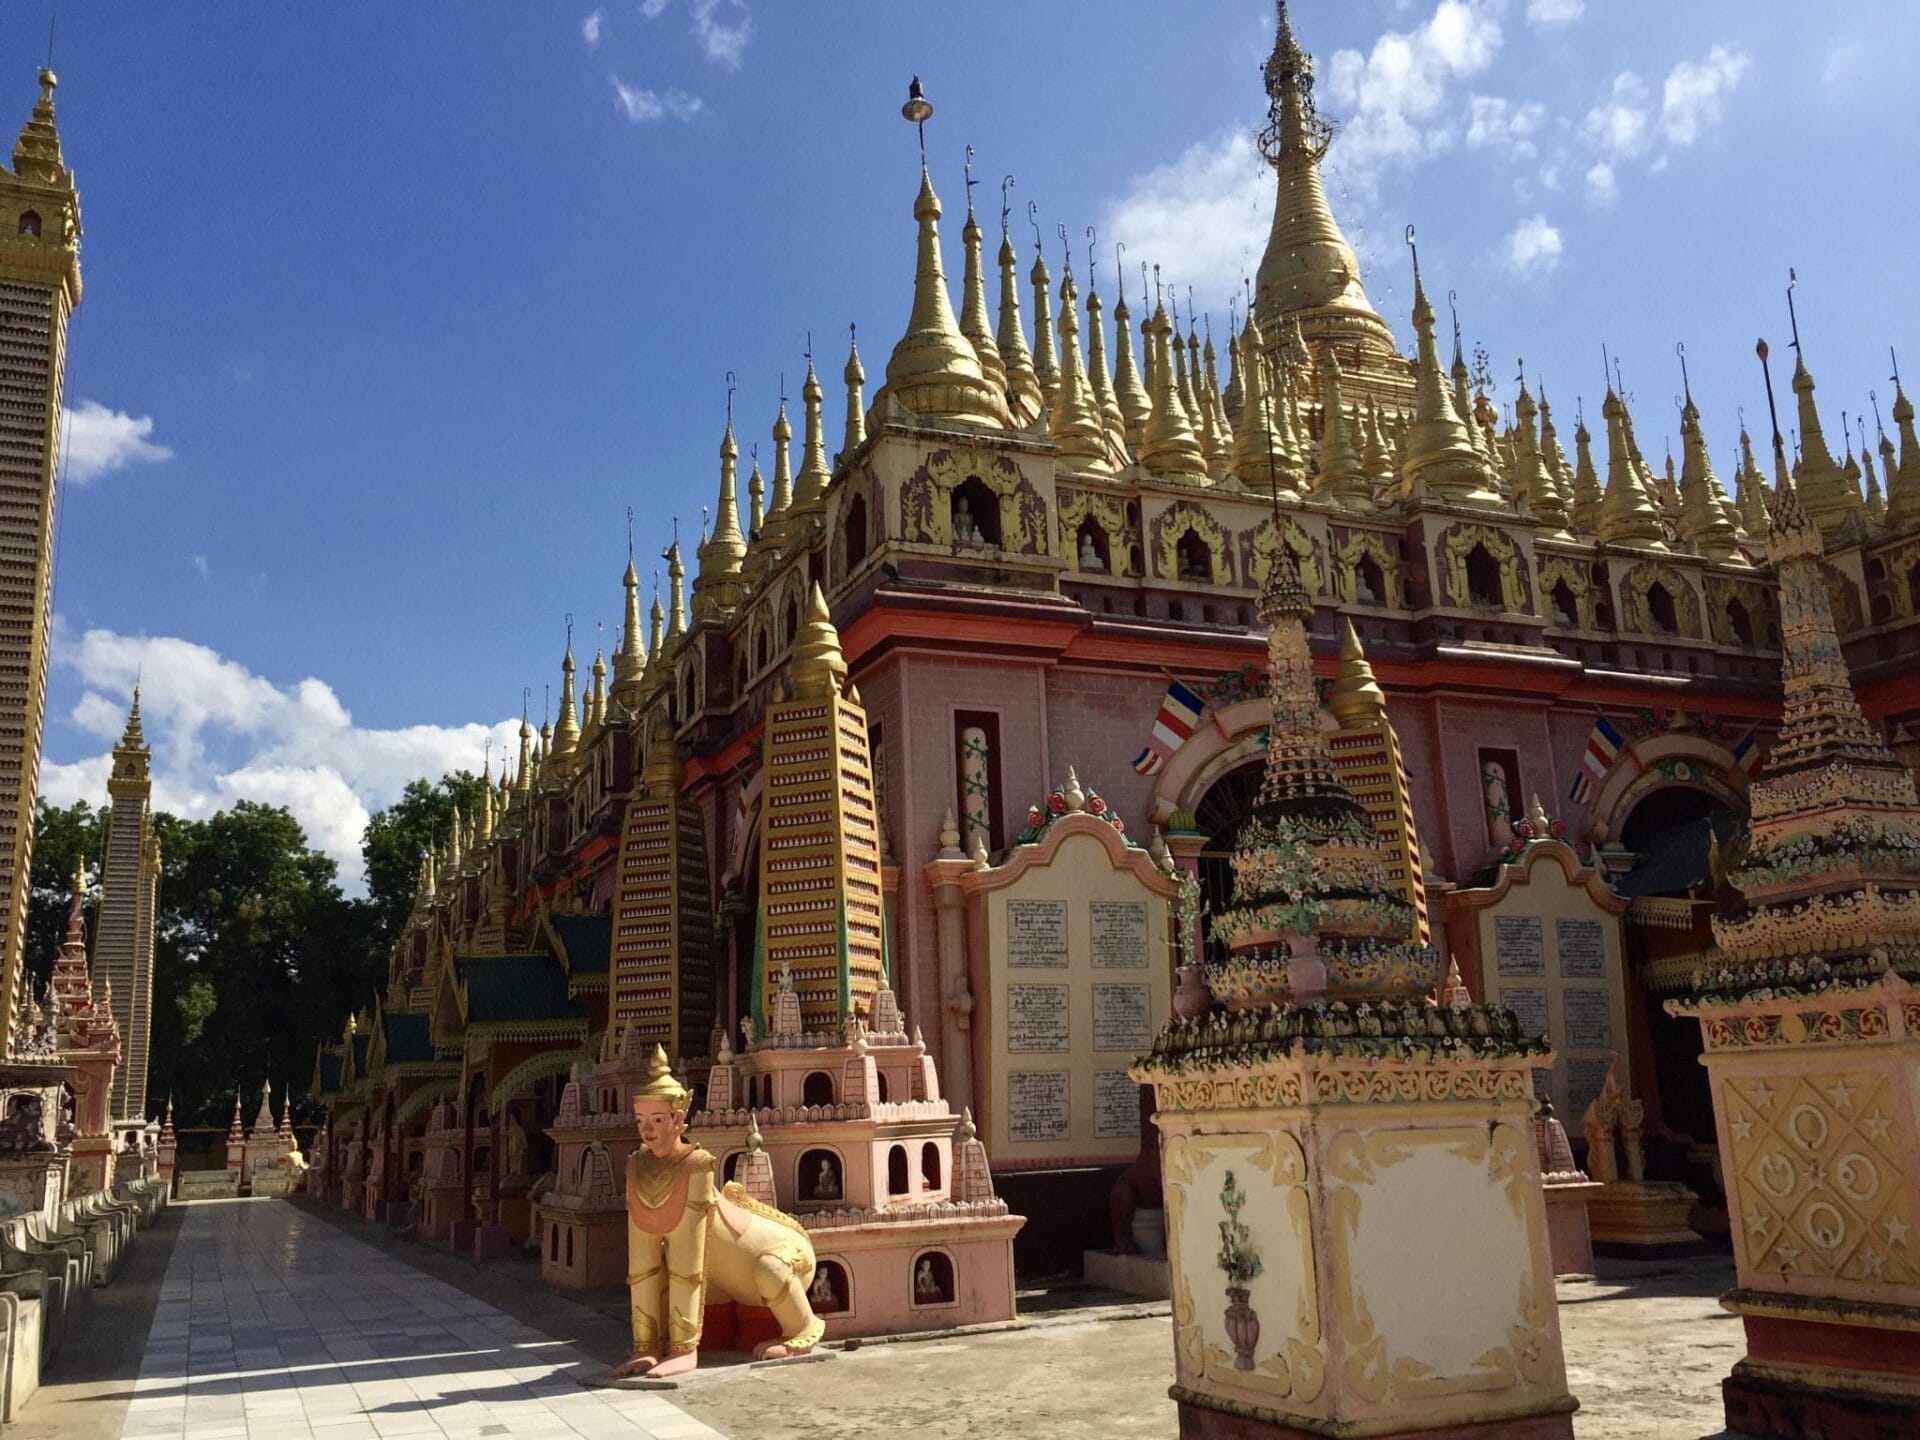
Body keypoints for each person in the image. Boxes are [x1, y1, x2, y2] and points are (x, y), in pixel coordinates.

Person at [611, 1047, 825, 1379]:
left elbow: (690, 1261)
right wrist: (646, 1346)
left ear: (678, 1119)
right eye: (640, 1121)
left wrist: (684, 1351)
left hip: (776, 1262)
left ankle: (800, 1330)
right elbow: (642, 1265)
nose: (647, 1130)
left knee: (765, 1268)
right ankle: (651, 1348)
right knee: (653, 1268)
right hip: (723, 1281)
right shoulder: (636, 1165)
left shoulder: (697, 1165)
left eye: (657, 1120)